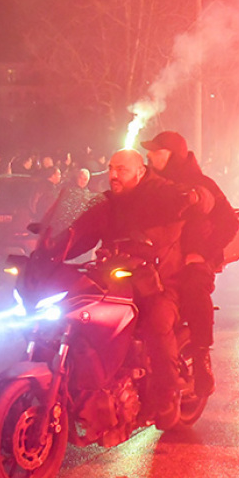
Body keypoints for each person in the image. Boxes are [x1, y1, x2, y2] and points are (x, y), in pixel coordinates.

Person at [64, 149, 194, 429]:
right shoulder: (109, 202)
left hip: (161, 279)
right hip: (119, 275)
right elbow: (82, 231)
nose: (113, 175)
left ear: (140, 171)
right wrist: (58, 244)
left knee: (157, 320)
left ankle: (167, 395)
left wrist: (145, 244)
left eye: (121, 170)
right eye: (111, 168)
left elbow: (171, 220)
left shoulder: (159, 194)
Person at [142, 131, 239, 397]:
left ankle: (201, 359)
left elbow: (230, 222)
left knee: (194, 289)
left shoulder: (201, 184)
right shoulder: (152, 184)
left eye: (157, 151)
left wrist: (203, 253)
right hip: (159, 258)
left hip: (191, 260)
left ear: (173, 155)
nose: (150, 155)